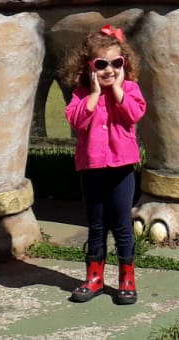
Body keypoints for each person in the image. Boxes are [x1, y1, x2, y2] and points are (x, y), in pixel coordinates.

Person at [61, 23, 147, 305]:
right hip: (92, 168)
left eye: (116, 63)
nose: (109, 70)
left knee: (122, 224)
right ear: (88, 67)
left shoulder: (130, 90)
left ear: (124, 64)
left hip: (122, 170)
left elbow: (133, 115)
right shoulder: (82, 95)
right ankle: (94, 278)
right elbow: (76, 120)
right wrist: (95, 95)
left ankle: (127, 278)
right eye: (101, 64)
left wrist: (119, 91)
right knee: (96, 225)